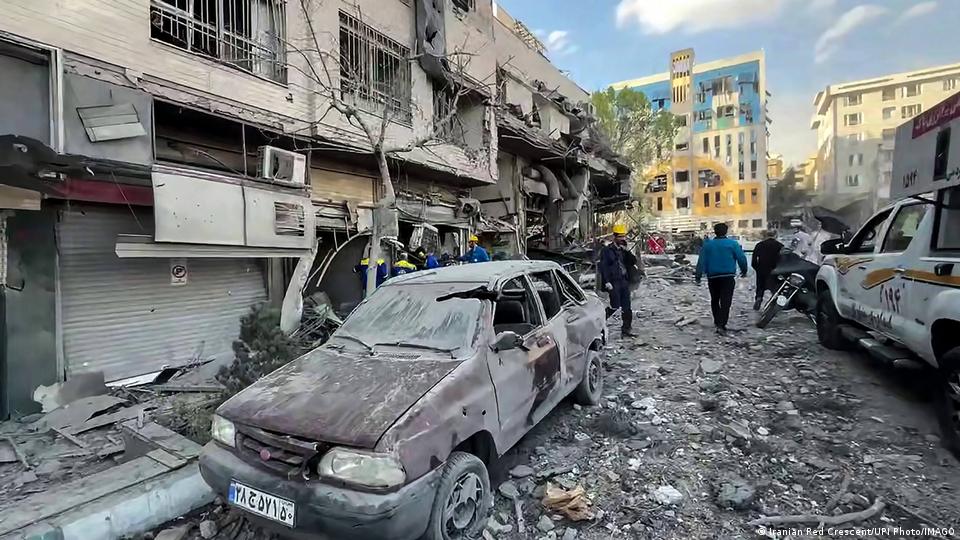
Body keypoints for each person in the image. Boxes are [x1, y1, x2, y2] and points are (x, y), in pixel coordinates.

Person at [696, 223, 748, 334]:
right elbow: (742, 258)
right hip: (728, 276)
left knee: (714, 300)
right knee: (726, 301)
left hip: (713, 277)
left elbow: (701, 261)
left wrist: (698, 276)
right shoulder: (733, 244)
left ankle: (717, 321)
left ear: (715, 232)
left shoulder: (708, 245)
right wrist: (744, 271)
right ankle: (722, 324)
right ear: (726, 232)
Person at [598, 223, 634, 337]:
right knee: (615, 306)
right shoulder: (607, 250)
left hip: (624, 281)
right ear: (615, 237)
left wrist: (627, 251)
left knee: (627, 307)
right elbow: (603, 266)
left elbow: (633, 261)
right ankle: (598, 323)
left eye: (623, 236)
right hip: (613, 282)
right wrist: (607, 282)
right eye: (620, 237)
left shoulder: (624, 250)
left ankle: (626, 330)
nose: (622, 239)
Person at [751, 229, 784, 311]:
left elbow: (754, 260)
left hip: (761, 269)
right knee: (775, 289)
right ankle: (773, 304)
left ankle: (759, 298)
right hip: (775, 270)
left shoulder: (759, 245)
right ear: (775, 236)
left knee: (760, 287)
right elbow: (783, 259)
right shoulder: (780, 245)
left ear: (766, 235)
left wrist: (757, 268)